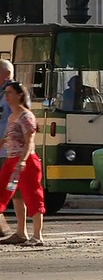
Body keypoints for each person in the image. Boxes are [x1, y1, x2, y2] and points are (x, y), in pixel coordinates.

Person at [0, 82, 45, 246]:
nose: (7, 96)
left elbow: (29, 142)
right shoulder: (12, 116)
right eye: (5, 93)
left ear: (19, 95)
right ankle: (21, 232)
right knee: (15, 196)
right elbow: (6, 140)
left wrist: (23, 161)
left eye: (10, 92)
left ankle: (37, 236)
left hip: (26, 161)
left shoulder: (26, 116)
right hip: (11, 160)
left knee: (32, 195)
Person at [0, 60, 28, 242]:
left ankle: (22, 231)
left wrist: (23, 157)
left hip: (11, 154)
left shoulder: (15, 93)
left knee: (15, 192)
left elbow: (26, 124)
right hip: (4, 150)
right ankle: (3, 228)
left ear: (6, 74)